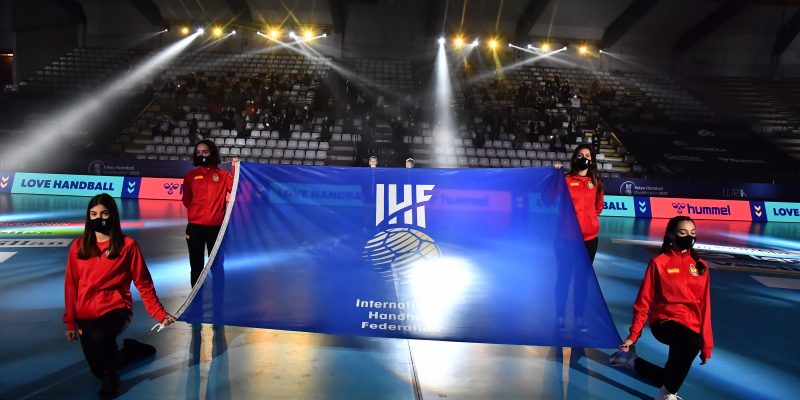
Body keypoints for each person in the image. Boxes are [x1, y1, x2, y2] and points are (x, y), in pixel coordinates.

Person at [64, 194, 175, 399]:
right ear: (88, 218)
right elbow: (71, 285)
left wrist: (158, 313)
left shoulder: (128, 246)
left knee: (101, 341)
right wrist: (71, 321)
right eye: (94, 214)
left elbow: (143, 282)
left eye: (104, 213)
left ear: (113, 215)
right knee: (98, 369)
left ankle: (112, 378)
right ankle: (132, 350)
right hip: (85, 312)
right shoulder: (78, 247)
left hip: (116, 308)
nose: (99, 218)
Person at [608, 216, 713, 400]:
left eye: (692, 233)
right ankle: (666, 395)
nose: (688, 237)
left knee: (672, 370)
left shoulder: (701, 266)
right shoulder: (659, 263)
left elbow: (705, 307)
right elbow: (643, 302)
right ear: (671, 236)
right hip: (664, 322)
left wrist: (707, 345)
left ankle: (632, 362)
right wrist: (633, 336)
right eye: (683, 233)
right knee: (690, 343)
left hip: (691, 326)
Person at [182, 139, 239, 287]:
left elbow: (235, 190)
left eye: (205, 152)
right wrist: (198, 211)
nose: (202, 155)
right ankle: (195, 302)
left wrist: (235, 168)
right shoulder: (190, 176)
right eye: (198, 152)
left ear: (212, 153)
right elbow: (186, 200)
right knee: (196, 268)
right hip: (195, 228)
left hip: (216, 229)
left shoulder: (223, 175)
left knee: (217, 267)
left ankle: (218, 301)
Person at [555, 144, 604, 262]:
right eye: (580, 155)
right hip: (566, 238)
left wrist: (588, 221)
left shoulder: (597, 183)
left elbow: (598, 207)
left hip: (589, 239)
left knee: (583, 277)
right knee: (564, 275)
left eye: (587, 156)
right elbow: (548, 199)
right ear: (575, 159)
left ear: (591, 161)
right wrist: (556, 175)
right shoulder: (565, 180)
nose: (584, 158)